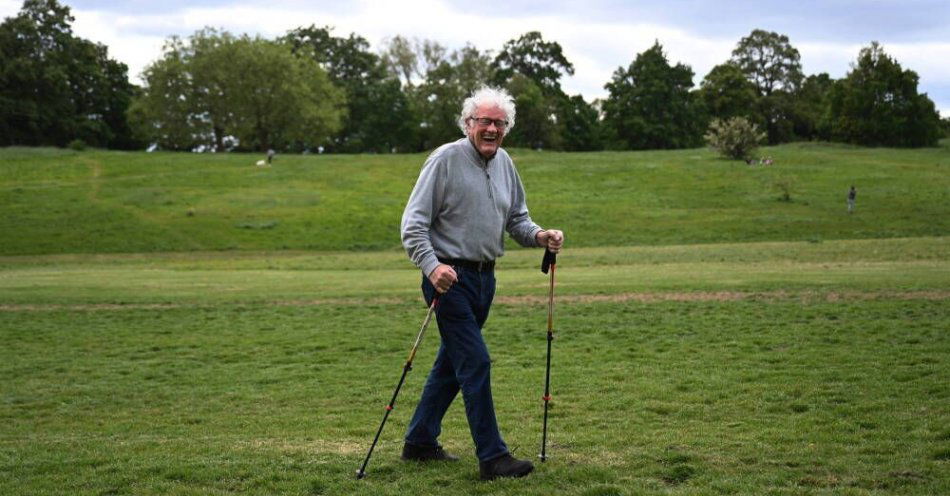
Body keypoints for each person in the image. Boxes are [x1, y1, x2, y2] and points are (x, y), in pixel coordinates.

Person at [400, 86, 564, 480]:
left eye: (499, 122)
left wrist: (540, 235)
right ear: (468, 124)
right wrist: (431, 266)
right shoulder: (444, 160)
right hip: (448, 279)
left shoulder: (505, 162)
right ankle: (493, 457)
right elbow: (413, 225)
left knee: (451, 365)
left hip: (485, 279)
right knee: (475, 361)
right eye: (484, 121)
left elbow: (517, 219)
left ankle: (419, 442)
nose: (491, 128)